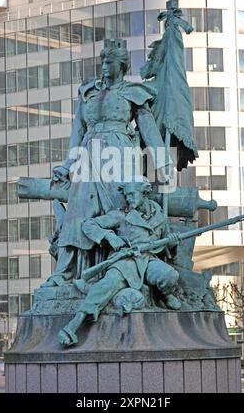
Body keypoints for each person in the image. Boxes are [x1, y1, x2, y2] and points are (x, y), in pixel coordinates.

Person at [43, 39, 170, 287]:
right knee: (76, 213)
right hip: (88, 157)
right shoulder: (88, 92)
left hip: (120, 157)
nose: (103, 65)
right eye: (102, 60)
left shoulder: (133, 93)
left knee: (120, 211)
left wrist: (163, 164)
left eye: (109, 61)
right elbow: (77, 131)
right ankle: (66, 271)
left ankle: (117, 273)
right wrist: (68, 165)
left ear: (121, 65)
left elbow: (149, 131)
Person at [58, 178, 181, 347]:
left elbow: (167, 248)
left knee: (170, 275)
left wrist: (172, 243)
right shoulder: (121, 214)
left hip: (148, 260)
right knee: (106, 285)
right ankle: (75, 323)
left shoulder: (160, 216)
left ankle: (166, 294)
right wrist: (110, 236)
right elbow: (89, 224)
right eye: (126, 195)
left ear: (144, 193)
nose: (128, 199)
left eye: (132, 195)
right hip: (125, 261)